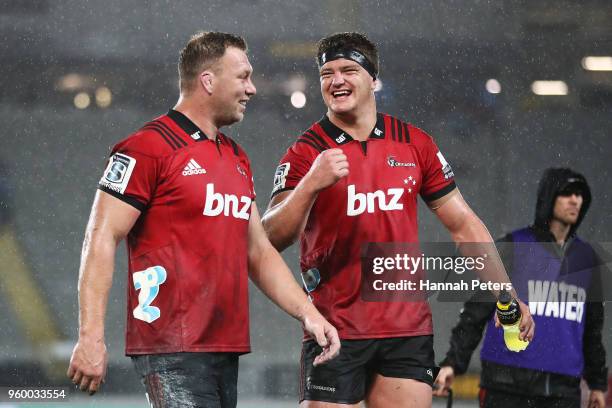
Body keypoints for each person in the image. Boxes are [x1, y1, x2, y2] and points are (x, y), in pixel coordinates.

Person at [66, 31, 340, 407]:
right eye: (243, 76)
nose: (253, 89)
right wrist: (91, 337)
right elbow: (100, 237)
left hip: (224, 346)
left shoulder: (236, 157)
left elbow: (258, 251)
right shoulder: (147, 148)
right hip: (171, 346)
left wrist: (309, 314)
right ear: (208, 81)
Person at [262, 32, 534, 408]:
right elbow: (269, 237)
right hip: (336, 329)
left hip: (407, 330)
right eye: (327, 73)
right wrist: (310, 184)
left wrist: (506, 294)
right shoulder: (306, 152)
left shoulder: (414, 143)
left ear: (373, 78)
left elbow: (463, 224)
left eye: (348, 70)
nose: (336, 80)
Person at [434, 168, 608, 408]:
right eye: (566, 193)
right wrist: (452, 362)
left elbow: (592, 332)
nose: (575, 200)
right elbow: (474, 314)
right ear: (549, 197)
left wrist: (598, 384)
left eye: (580, 195)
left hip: (562, 391)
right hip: (505, 386)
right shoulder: (511, 248)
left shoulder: (589, 260)